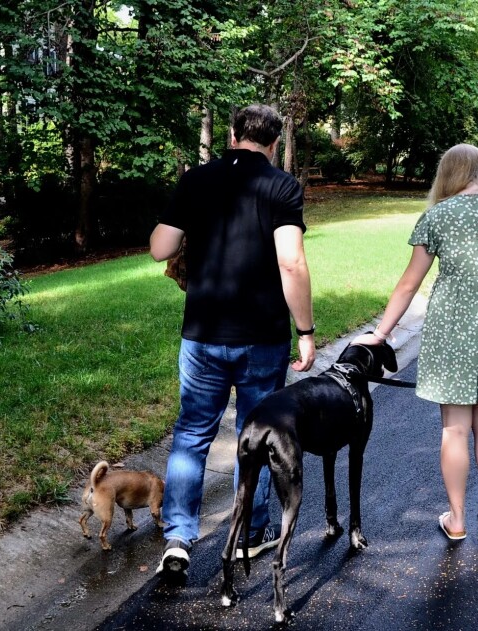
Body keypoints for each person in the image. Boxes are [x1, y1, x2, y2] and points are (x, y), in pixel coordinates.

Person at [149, 104, 316, 578]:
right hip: (262, 336)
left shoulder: (197, 180)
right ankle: (250, 531)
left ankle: (178, 537)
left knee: (192, 433)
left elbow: (160, 247)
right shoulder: (282, 186)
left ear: (232, 134)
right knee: (257, 435)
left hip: (202, 335)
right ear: (275, 142)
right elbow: (291, 263)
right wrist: (305, 331)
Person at [353, 144, 478, 540]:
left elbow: (409, 283)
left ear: (447, 174)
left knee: (454, 429)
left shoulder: (437, 216)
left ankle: (455, 519)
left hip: (450, 329)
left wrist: (382, 333)